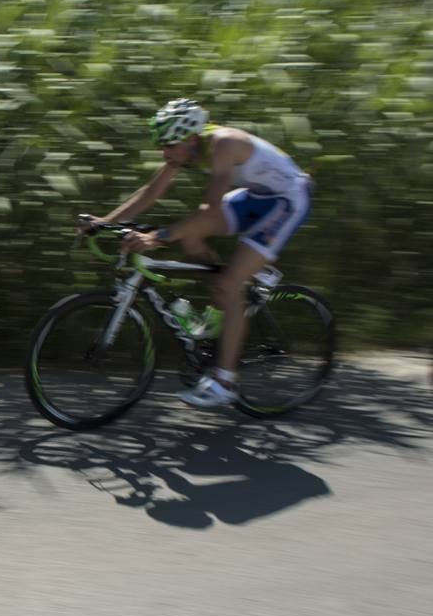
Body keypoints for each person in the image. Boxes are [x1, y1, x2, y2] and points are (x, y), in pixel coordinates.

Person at [84, 98, 313, 408]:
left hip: (288, 199)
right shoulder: (187, 149)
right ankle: (224, 308)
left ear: (191, 139)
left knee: (229, 283)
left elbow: (209, 210)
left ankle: (225, 381)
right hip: (258, 196)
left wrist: (156, 238)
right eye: (161, 145)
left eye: (168, 145)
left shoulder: (224, 145)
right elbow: (152, 192)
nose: (163, 152)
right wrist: (104, 222)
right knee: (193, 239)